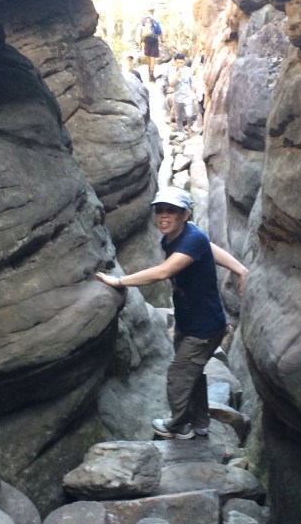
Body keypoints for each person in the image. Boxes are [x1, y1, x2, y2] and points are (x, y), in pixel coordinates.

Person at [96, 187, 248, 440]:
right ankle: (200, 422)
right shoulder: (182, 235)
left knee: (179, 375)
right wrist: (240, 268)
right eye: (160, 210)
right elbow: (208, 246)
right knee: (192, 373)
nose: (164, 216)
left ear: (185, 214)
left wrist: (120, 281)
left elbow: (163, 272)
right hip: (188, 321)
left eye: (172, 211)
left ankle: (179, 426)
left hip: (205, 327)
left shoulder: (191, 238)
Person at [168, 53, 196, 135]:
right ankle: (181, 132)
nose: (179, 64)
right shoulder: (172, 71)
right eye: (178, 62)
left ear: (184, 61)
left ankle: (190, 127)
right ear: (175, 62)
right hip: (177, 97)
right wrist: (177, 76)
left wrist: (193, 92)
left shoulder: (188, 70)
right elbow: (171, 84)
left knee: (190, 114)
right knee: (178, 116)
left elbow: (192, 83)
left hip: (187, 95)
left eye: (181, 62)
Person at [136, 7, 162, 82]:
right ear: (153, 11)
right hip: (154, 40)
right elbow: (159, 31)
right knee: (152, 57)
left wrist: (140, 44)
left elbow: (141, 34)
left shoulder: (143, 20)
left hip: (146, 40)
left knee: (148, 56)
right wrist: (162, 40)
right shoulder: (155, 20)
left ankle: (149, 74)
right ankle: (151, 73)